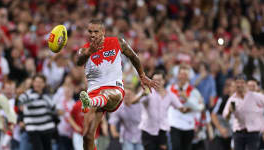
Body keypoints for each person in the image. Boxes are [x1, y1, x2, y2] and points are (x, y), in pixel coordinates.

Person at [76, 19, 158, 150]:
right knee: (87, 136)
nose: (92, 34)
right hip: (92, 93)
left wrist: (142, 76)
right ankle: (92, 102)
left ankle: (92, 102)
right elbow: (79, 62)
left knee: (105, 95)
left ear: (103, 32)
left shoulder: (117, 42)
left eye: (96, 31)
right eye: (90, 31)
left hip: (114, 89)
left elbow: (133, 56)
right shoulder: (84, 50)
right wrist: (88, 52)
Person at [131, 71, 188, 150]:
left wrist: (190, 104)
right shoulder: (148, 92)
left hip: (162, 131)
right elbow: (133, 102)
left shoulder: (170, 95)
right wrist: (141, 95)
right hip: (148, 130)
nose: (156, 83)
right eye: (154, 80)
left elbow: (182, 109)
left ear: (164, 81)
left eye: (159, 80)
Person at [167, 65, 204, 150]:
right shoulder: (170, 89)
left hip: (188, 125)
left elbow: (200, 107)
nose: (183, 76)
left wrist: (187, 99)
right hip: (175, 123)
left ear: (189, 77)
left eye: (185, 74)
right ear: (177, 75)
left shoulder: (194, 91)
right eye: (181, 74)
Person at [17, 74, 59, 150]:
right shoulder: (28, 94)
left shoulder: (47, 95)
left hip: (47, 127)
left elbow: (53, 109)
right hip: (33, 127)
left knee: (48, 148)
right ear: (33, 83)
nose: (38, 84)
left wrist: (55, 112)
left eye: (40, 82)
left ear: (44, 84)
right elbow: (20, 102)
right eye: (36, 82)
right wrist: (23, 105)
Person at [223, 74, 264, 150]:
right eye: (237, 82)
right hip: (239, 133)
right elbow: (226, 117)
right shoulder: (232, 99)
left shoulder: (255, 96)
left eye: (242, 82)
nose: (239, 85)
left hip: (253, 132)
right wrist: (229, 111)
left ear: (245, 84)